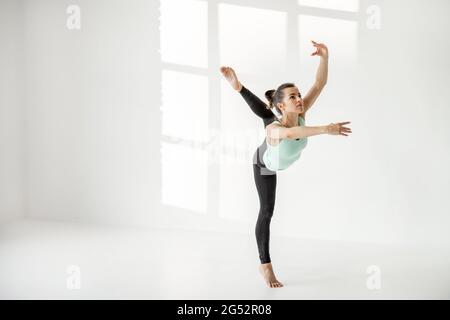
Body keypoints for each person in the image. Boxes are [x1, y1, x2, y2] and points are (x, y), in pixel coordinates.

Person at [220, 41, 352, 288]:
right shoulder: (275, 129)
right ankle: (265, 266)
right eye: (293, 97)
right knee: (267, 211)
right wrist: (326, 129)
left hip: (279, 134)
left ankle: (238, 87)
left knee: (268, 114)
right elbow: (291, 134)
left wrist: (325, 57)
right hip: (264, 164)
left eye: (299, 95)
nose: (300, 99)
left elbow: (319, 84)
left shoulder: (300, 114)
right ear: (283, 104)